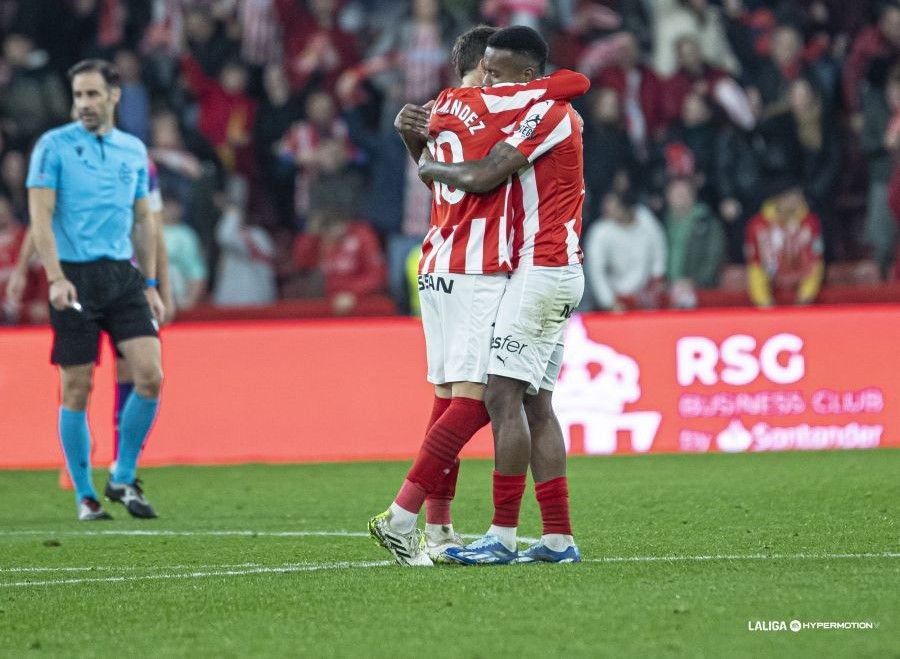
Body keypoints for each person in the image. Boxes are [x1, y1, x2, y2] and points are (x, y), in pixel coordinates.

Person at [369, 25, 589, 566]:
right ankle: (553, 538)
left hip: (527, 268)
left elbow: (486, 174)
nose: (487, 78)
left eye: (497, 69)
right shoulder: (513, 107)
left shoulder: (541, 111)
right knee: (529, 402)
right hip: (521, 267)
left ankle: (479, 530)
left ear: (526, 76)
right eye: (483, 67)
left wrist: (423, 158)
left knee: (489, 398)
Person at [25, 59, 164, 521]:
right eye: (78, 95)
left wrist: (150, 283)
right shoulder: (53, 147)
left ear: (114, 95)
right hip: (75, 276)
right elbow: (41, 216)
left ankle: (122, 476)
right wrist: (56, 276)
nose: (83, 104)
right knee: (77, 387)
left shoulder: (132, 150)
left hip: (121, 276)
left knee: (150, 375)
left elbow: (144, 219)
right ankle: (85, 494)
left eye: (92, 94)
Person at [744, 184, 824, 307]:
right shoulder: (758, 224)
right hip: (769, 284)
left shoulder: (810, 222)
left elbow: (815, 262)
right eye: (791, 195)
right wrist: (763, 301)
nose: (797, 199)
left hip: (802, 286)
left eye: (799, 195)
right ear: (778, 197)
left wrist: (805, 298)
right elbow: (755, 265)